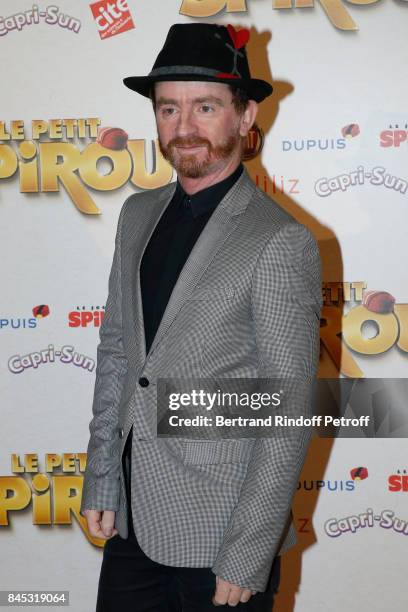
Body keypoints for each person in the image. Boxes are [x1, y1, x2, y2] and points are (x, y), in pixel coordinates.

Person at [80, 22, 322, 611]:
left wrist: (249, 550)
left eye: (205, 107)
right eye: (169, 109)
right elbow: (117, 352)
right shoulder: (137, 214)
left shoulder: (279, 241)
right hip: (132, 522)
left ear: (244, 118)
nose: (183, 128)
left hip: (221, 538)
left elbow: (287, 406)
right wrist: (101, 475)